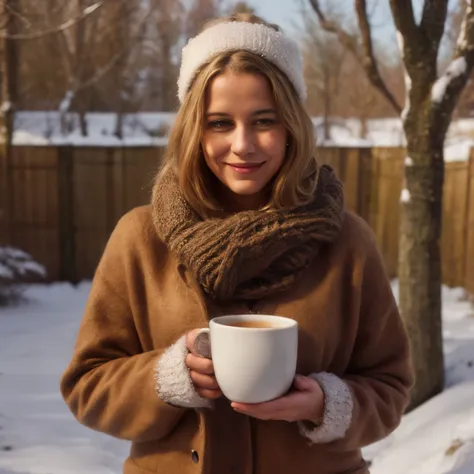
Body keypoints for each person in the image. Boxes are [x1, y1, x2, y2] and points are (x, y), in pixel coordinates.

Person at [60, 13, 414, 474]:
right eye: (220, 123)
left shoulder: (346, 241)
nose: (243, 145)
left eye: (264, 120)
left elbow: (391, 385)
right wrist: (168, 378)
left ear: (292, 125)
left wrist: (327, 404)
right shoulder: (141, 239)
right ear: (193, 129)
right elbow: (88, 388)